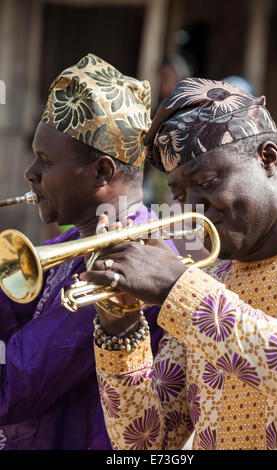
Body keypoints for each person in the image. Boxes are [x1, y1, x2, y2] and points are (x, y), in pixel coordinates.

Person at [88, 78, 277, 450]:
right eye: (180, 194)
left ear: (267, 158)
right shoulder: (211, 280)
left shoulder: (194, 293)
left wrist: (178, 289)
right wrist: (119, 325)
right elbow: (146, 446)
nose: (191, 208)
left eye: (207, 181)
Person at [0, 53, 173, 450]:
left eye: (45, 161)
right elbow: (10, 306)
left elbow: (14, 386)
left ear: (101, 172)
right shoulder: (71, 244)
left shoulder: (125, 267)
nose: (31, 174)